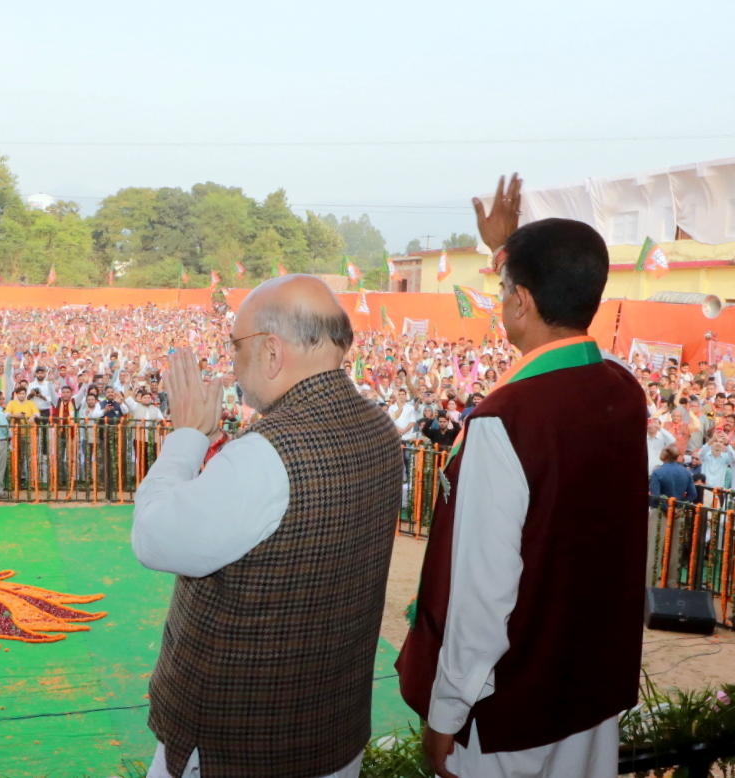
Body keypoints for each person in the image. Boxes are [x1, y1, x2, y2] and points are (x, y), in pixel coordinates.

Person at [398, 182, 647, 778]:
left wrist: (445, 715)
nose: (500, 301)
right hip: (588, 695)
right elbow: (561, 325)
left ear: (521, 302)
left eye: (505, 290)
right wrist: (510, 249)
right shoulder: (622, 388)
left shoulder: (504, 422)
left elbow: (482, 597)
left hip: (511, 716)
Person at [133, 274, 396, 778]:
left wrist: (186, 437)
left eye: (236, 345)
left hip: (237, 747)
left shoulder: (266, 455)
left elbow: (153, 536)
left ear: (272, 353)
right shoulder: (378, 425)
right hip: (330, 732)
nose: (232, 361)